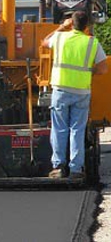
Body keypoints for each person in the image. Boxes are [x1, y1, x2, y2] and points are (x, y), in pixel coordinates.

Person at [41, 11, 108, 179]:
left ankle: (58, 167)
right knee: (77, 130)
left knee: (59, 129)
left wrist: (61, 27)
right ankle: (76, 169)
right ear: (86, 26)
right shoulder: (92, 43)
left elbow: (43, 42)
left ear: (72, 23)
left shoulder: (60, 38)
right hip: (81, 92)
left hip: (61, 89)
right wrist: (88, 72)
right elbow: (103, 69)